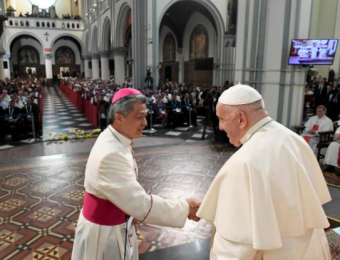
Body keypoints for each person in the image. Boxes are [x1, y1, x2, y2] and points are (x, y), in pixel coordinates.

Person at [197, 84, 332, 259]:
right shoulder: (294, 139)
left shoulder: (243, 163)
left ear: (241, 119)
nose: (220, 127)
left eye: (222, 119)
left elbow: (236, 247)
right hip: (312, 251)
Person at [72, 88, 200, 260]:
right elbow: (141, 204)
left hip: (116, 224)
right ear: (119, 118)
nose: (145, 123)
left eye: (145, 116)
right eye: (139, 117)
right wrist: (185, 208)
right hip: (103, 235)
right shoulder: (111, 153)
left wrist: (131, 215)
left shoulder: (114, 136)